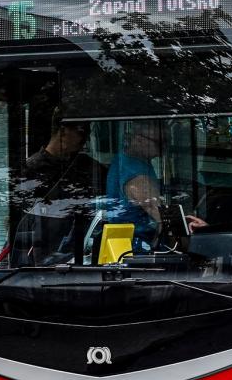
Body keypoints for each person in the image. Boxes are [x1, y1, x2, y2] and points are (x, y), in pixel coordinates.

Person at [11, 112, 106, 265]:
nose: (85, 138)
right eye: (81, 131)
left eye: (88, 132)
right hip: (43, 248)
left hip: (79, 247)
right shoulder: (30, 168)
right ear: (63, 131)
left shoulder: (89, 167)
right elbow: (20, 213)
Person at [106, 120, 204, 254]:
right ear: (139, 139)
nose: (165, 147)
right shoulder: (137, 176)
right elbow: (164, 220)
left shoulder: (125, 160)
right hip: (137, 249)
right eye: (160, 143)